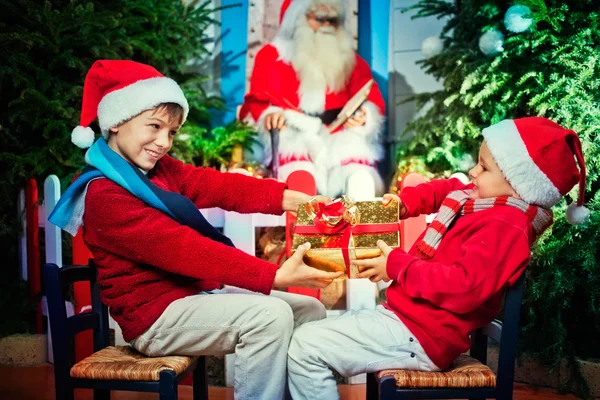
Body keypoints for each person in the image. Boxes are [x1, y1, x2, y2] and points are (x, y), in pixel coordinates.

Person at [49, 60, 343, 400]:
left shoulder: (159, 171)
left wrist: (291, 200)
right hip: (154, 319)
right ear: (116, 122)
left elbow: (216, 185)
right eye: (155, 126)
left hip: (190, 297)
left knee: (310, 310)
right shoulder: (105, 195)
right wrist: (273, 275)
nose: (163, 142)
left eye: (171, 132)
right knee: (269, 315)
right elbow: (181, 248)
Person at [287, 117, 590, 399]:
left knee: (306, 347)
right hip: (408, 320)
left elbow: (464, 287)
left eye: (484, 168)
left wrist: (396, 264)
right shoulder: (484, 202)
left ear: (518, 184)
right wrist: (405, 204)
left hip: (423, 336)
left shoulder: (505, 226)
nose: (473, 172)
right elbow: (448, 189)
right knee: (308, 332)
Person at [239, 0, 386, 197]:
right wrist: (271, 115)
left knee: (360, 178)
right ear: (297, 19)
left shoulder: (350, 59)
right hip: (296, 133)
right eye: (319, 19)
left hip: (341, 135)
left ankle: (361, 227)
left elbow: (369, 93)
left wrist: (364, 116)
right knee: (299, 179)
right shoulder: (272, 56)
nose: (327, 26)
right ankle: (298, 227)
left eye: (332, 20)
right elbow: (258, 99)